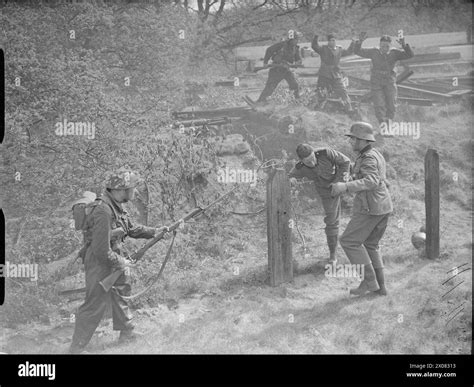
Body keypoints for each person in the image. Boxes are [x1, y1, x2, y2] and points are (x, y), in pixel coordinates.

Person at [69, 168, 166, 354]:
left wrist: (155, 232)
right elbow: (100, 251)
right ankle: (76, 348)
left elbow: (131, 229)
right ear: (121, 189)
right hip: (99, 262)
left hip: (111, 256)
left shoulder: (116, 205)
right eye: (132, 188)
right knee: (94, 303)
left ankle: (127, 334)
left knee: (121, 291)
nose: (134, 191)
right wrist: (121, 262)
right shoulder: (103, 211)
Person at [331, 122, 392, 296]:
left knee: (349, 241)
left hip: (371, 208)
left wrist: (345, 186)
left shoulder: (368, 158)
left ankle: (369, 280)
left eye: (353, 139)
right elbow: (375, 177)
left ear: (364, 140)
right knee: (371, 245)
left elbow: (372, 180)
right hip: (383, 206)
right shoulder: (374, 154)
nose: (351, 142)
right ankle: (381, 288)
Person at [289, 143, 351, 263]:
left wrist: (341, 182)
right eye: (308, 162)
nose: (312, 163)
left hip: (345, 179)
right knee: (332, 221)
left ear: (314, 153)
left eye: (313, 159)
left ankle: (367, 245)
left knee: (365, 204)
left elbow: (345, 161)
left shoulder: (325, 153)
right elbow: (288, 176)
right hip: (328, 192)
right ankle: (333, 255)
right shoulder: (300, 167)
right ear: (301, 161)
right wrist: (291, 179)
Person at [354, 33, 414, 124]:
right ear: (379, 45)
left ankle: (389, 123)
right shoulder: (374, 52)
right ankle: (382, 124)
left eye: (387, 46)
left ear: (390, 46)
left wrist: (403, 45)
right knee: (379, 104)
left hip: (390, 81)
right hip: (376, 81)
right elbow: (357, 51)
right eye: (382, 46)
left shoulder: (395, 53)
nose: (384, 48)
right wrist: (359, 42)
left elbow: (410, 55)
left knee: (391, 104)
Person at [312, 33, 355, 112]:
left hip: (336, 75)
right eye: (330, 40)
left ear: (336, 41)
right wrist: (316, 37)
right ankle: (317, 110)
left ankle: (349, 109)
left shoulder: (339, 49)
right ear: (328, 42)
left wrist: (353, 43)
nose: (332, 42)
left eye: (333, 40)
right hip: (324, 75)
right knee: (321, 92)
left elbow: (349, 51)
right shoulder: (323, 49)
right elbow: (314, 46)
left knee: (343, 91)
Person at [256, 31, 303, 104]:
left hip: (286, 70)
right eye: (296, 39)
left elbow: (298, 59)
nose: (297, 41)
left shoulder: (295, 49)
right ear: (291, 39)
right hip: (276, 70)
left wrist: (297, 63)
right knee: (270, 87)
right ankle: (260, 102)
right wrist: (265, 62)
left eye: (298, 39)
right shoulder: (281, 45)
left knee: (294, 85)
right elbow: (269, 50)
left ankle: (296, 101)